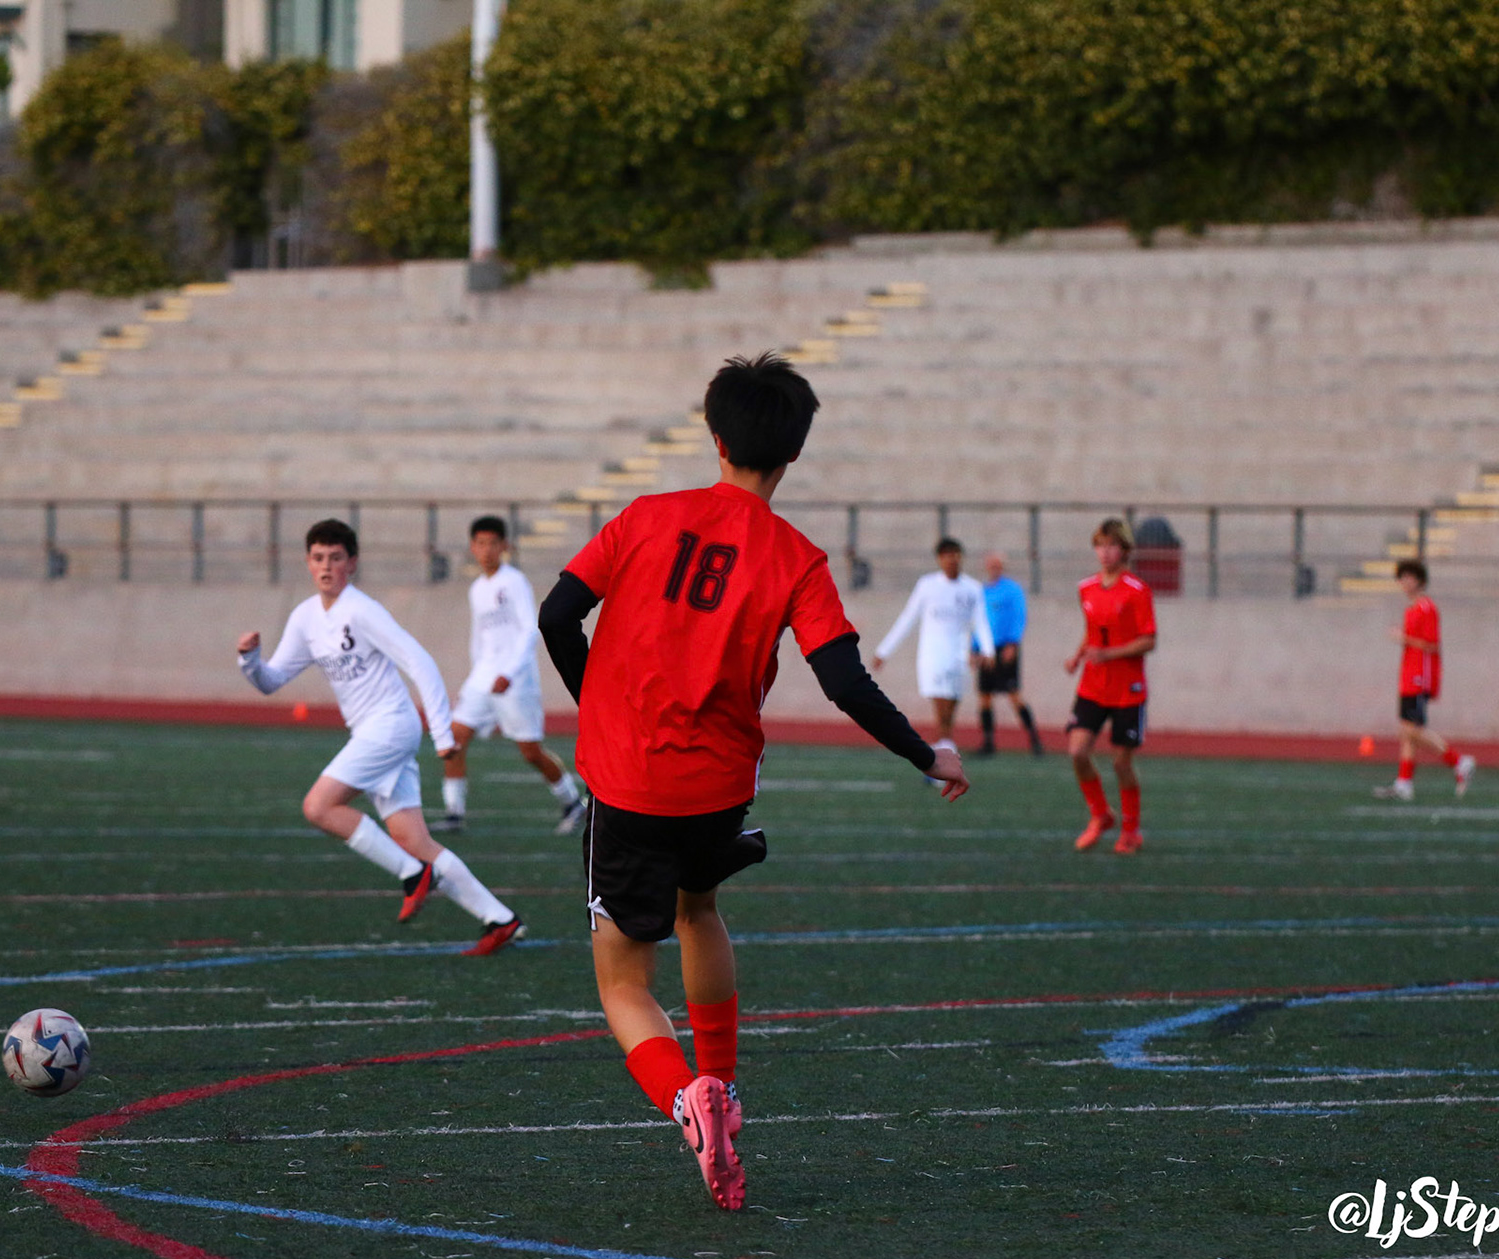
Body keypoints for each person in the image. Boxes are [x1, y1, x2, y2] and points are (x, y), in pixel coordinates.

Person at [539, 353, 970, 1212]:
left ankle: (687, 1101)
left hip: (628, 783)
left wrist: (599, 705)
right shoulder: (797, 558)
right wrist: (926, 756)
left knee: (624, 983)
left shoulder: (646, 516)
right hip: (719, 787)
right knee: (699, 908)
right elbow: (844, 682)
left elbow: (557, 615)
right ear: (794, 453)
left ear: (715, 435)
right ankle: (726, 1087)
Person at [237, 519, 524, 956]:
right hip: (374, 731)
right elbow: (271, 681)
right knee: (415, 841)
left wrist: (442, 732)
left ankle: (412, 875)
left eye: (336, 558)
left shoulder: (361, 610)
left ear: (352, 563)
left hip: (389, 725)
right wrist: (250, 661)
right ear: (308, 563)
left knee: (319, 806)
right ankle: (500, 918)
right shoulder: (305, 618)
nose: (326, 566)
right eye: (318, 558)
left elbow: (420, 662)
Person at [439, 515, 587, 835]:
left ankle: (572, 802)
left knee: (530, 752)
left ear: (505, 546)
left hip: (515, 680)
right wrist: (475, 676)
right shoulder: (477, 588)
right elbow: (479, 636)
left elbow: (529, 630)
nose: (487, 550)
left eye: (493, 543)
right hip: (483, 678)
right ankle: (454, 813)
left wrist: (508, 672)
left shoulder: (514, 582)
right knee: (454, 737)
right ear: (472, 547)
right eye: (481, 544)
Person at [1064, 519, 1156, 855]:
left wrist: (1109, 654)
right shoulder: (1086, 588)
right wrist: (1078, 657)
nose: (1105, 552)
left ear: (1125, 550)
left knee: (1121, 763)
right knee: (1077, 752)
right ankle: (1101, 814)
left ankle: (1131, 831)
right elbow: (1092, 631)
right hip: (1093, 685)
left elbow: (1149, 640)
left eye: (1112, 545)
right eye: (1100, 545)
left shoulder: (1137, 590)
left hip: (1127, 689)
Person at [871, 538, 996, 759]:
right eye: (947, 555)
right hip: (933, 656)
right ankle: (944, 752)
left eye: (956, 555)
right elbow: (908, 618)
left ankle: (943, 750)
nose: (952, 560)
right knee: (941, 705)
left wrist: (988, 650)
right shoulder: (927, 585)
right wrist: (884, 651)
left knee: (951, 706)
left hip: (960, 656)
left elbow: (981, 621)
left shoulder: (972, 588)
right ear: (939, 559)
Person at [1374, 559, 1475, 801]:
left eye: (1408, 577)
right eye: (1401, 578)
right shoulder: (1411, 610)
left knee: (1413, 730)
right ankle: (1404, 783)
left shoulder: (1426, 608)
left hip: (1421, 675)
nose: (1404, 582)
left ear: (1419, 580)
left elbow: (1432, 644)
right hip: (1409, 675)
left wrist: (1404, 637)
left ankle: (1459, 761)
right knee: (1406, 731)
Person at [974, 551, 1043, 756]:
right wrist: (974, 648)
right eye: (991, 565)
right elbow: (978, 622)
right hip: (986, 650)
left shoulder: (1013, 590)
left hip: (1005, 647)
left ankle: (1034, 739)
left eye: (997, 565)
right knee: (985, 696)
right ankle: (988, 742)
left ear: (1003, 567)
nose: (994, 568)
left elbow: (1019, 617)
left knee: (1014, 695)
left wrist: (1013, 643)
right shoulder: (983, 591)